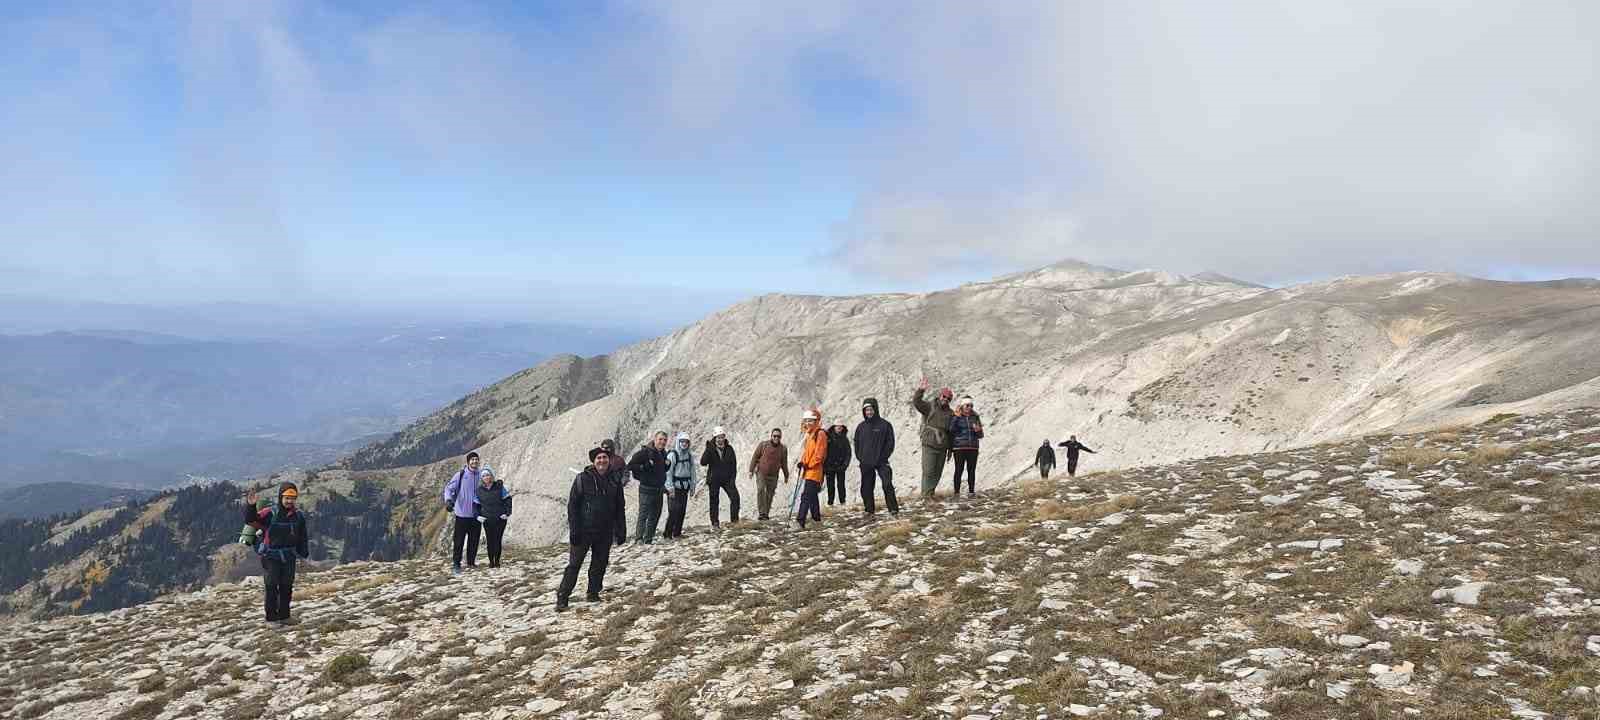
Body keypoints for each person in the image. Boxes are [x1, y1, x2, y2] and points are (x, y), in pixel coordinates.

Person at [557, 446, 627, 611]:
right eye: (598, 458)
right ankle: (563, 597)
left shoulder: (615, 480)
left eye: (604, 458)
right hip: (584, 529)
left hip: (605, 530)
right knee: (574, 565)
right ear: (593, 461)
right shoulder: (582, 479)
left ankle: (593, 593)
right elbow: (572, 506)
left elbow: (619, 507)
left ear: (609, 460)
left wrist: (621, 530)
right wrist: (574, 530)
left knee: (600, 563)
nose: (602, 461)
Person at [242, 482, 309, 624]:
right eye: (287, 498)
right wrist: (251, 505)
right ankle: (271, 619)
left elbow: (302, 536)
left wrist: (303, 556)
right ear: (281, 497)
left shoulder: (299, 516)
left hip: (289, 556)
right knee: (271, 587)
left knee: (286, 587)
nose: (290, 501)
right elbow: (251, 520)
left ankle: (285, 617)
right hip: (270, 556)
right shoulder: (269, 513)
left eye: (293, 498)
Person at [911, 378, 955, 499]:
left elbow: (951, 433)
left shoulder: (951, 414)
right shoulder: (929, 407)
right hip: (929, 444)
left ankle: (930, 494)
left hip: (942, 447)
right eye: (944, 396)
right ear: (940, 395)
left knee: (937, 473)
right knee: (928, 471)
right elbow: (916, 402)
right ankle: (925, 496)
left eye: (948, 398)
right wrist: (921, 390)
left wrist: (950, 449)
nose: (945, 399)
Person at [854, 398, 899, 516]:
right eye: (866, 410)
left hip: (881, 461)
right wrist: (860, 458)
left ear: (875, 409)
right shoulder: (861, 427)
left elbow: (890, 443)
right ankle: (869, 511)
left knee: (887, 484)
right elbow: (857, 443)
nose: (868, 412)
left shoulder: (885, 425)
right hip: (866, 462)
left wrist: (883, 457)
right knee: (866, 488)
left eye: (870, 409)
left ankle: (893, 509)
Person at [443, 452, 484, 574]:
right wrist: (448, 500)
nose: (474, 462)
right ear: (468, 462)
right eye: (472, 460)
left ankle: (471, 563)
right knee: (459, 541)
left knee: (474, 540)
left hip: (476, 515)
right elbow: (449, 488)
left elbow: (488, 487)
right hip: (461, 514)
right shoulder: (460, 475)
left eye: (476, 460)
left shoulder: (481, 475)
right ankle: (456, 564)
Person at [627, 431, 670, 544]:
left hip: (658, 489)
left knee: (655, 516)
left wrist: (667, 465)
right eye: (660, 439)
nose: (662, 442)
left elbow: (660, 470)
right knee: (643, 515)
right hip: (646, 489)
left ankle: (648, 539)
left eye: (665, 440)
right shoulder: (645, 452)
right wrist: (644, 466)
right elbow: (630, 466)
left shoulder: (663, 453)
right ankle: (639, 539)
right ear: (654, 439)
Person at [472, 466, 513, 568]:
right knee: (490, 540)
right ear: (482, 478)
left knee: (498, 540)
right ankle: (491, 562)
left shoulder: (499, 487)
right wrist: (477, 516)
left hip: (500, 518)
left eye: (488, 475)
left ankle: (497, 561)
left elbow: (508, 499)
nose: (486, 477)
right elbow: (475, 505)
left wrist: (507, 513)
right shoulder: (479, 491)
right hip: (487, 519)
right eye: (484, 475)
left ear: (492, 476)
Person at [700, 427, 741, 528]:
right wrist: (708, 449)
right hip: (714, 479)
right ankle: (715, 522)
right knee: (714, 501)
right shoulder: (711, 448)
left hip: (727, 479)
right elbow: (703, 462)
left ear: (724, 438)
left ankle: (734, 521)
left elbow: (733, 466)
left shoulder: (729, 449)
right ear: (714, 438)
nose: (720, 439)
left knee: (735, 498)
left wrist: (732, 480)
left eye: (722, 437)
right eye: (718, 437)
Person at [795, 409, 828, 528]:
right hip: (810, 471)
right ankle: (816, 519)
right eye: (806, 420)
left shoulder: (820, 434)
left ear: (816, 421)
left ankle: (800, 521)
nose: (808, 423)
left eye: (810, 421)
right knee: (812, 496)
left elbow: (819, 455)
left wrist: (808, 464)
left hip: (815, 471)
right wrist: (802, 462)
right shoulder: (810, 435)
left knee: (806, 496)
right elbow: (808, 453)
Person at [748, 428, 790, 520]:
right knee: (761, 490)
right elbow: (755, 457)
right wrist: (751, 470)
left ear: (781, 437)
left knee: (770, 494)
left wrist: (786, 475)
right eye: (774, 436)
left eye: (778, 436)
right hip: (761, 472)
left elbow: (784, 463)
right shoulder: (763, 445)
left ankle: (766, 514)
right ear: (771, 436)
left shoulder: (783, 449)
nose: (776, 438)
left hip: (774, 475)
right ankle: (762, 513)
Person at [663, 432, 698, 539]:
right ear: (678, 442)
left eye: (686, 442)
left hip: (685, 487)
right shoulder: (672, 455)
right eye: (682, 441)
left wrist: (692, 486)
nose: (684, 444)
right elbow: (668, 473)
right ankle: (667, 534)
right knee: (673, 511)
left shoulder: (689, 455)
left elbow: (692, 471)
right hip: (674, 487)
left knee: (682, 510)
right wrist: (670, 487)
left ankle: (677, 533)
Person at [949, 396, 984, 497]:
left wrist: (978, 430)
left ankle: (971, 492)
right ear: (962, 406)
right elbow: (951, 430)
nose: (969, 407)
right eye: (967, 405)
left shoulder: (975, 417)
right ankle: (956, 493)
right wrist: (956, 417)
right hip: (959, 447)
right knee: (959, 469)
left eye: (971, 405)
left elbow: (981, 435)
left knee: (971, 469)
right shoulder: (956, 416)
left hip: (973, 447)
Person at [823, 420, 852, 506]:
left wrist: (845, 465)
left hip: (841, 467)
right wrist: (825, 465)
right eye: (837, 426)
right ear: (834, 427)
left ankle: (843, 502)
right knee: (830, 486)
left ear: (843, 428)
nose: (839, 428)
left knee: (841, 486)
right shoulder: (828, 437)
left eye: (840, 426)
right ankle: (830, 503)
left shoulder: (845, 439)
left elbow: (848, 453)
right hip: (829, 466)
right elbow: (824, 451)